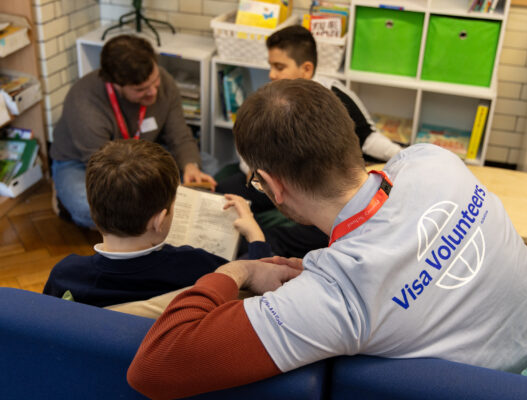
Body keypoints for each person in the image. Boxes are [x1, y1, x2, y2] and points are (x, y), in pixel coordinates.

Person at [127, 79, 527, 399]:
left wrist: (238, 269)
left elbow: (155, 365)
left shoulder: (338, 294)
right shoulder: (434, 160)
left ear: (272, 186)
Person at [217, 25, 404, 258]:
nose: (272, 74)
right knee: (223, 193)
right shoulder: (271, 99)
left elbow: (369, 139)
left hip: (316, 186)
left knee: (279, 237)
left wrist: (402, 155)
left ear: (306, 69)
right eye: (271, 66)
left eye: (279, 67)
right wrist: (250, 169)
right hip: (281, 176)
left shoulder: (333, 96)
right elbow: (252, 143)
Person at [43, 139, 270, 308]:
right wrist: (255, 236)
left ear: (93, 210)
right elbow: (253, 282)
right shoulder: (196, 265)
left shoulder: (65, 275)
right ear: (159, 221)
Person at [50, 34, 216, 228]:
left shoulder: (164, 81)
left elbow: (179, 135)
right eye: (141, 89)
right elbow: (104, 168)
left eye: (155, 81)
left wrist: (190, 166)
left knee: (209, 167)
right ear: (116, 84)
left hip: (146, 153)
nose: (153, 92)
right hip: (89, 165)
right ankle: (62, 196)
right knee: (87, 206)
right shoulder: (84, 101)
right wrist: (152, 192)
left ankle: (149, 218)